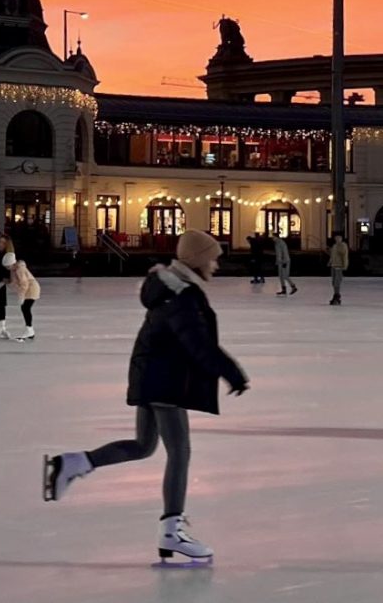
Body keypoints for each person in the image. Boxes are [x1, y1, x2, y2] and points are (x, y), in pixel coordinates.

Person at [43, 230, 249, 565]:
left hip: (152, 375)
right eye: (212, 258)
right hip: (163, 379)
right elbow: (197, 343)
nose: (216, 265)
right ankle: (172, 531)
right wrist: (231, 371)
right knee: (179, 452)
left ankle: (73, 463)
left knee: (144, 446)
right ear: (197, 260)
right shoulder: (181, 294)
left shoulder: (168, 288)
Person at [3, 252, 40, 340]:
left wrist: (21, 296)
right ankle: (30, 330)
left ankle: (29, 330)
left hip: (31, 289)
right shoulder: (13, 270)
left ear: (13, 264)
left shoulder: (20, 269)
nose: (7, 268)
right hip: (28, 289)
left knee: (25, 308)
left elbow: (24, 284)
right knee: (25, 308)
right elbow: (15, 282)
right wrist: (6, 283)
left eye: (8, 266)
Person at [272, 231, 297, 296]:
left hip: (284, 261)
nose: (272, 238)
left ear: (276, 237)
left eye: (273, 237)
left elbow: (284, 252)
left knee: (285, 275)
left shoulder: (281, 243)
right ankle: (283, 289)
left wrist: (284, 261)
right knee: (281, 276)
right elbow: (278, 253)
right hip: (280, 262)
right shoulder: (277, 243)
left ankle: (293, 286)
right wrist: (277, 261)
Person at [327, 233, 348, 306]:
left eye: (339, 237)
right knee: (333, 282)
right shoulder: (334, 246)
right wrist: (330, 262)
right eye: (336, 237)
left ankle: (337, 295)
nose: (337, 239)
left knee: (337, 282)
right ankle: (336, 294)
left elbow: (344, 255)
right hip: (333, 266)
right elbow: (332, 255)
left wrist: (345, 265)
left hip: (339, 266)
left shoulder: (343, 245)